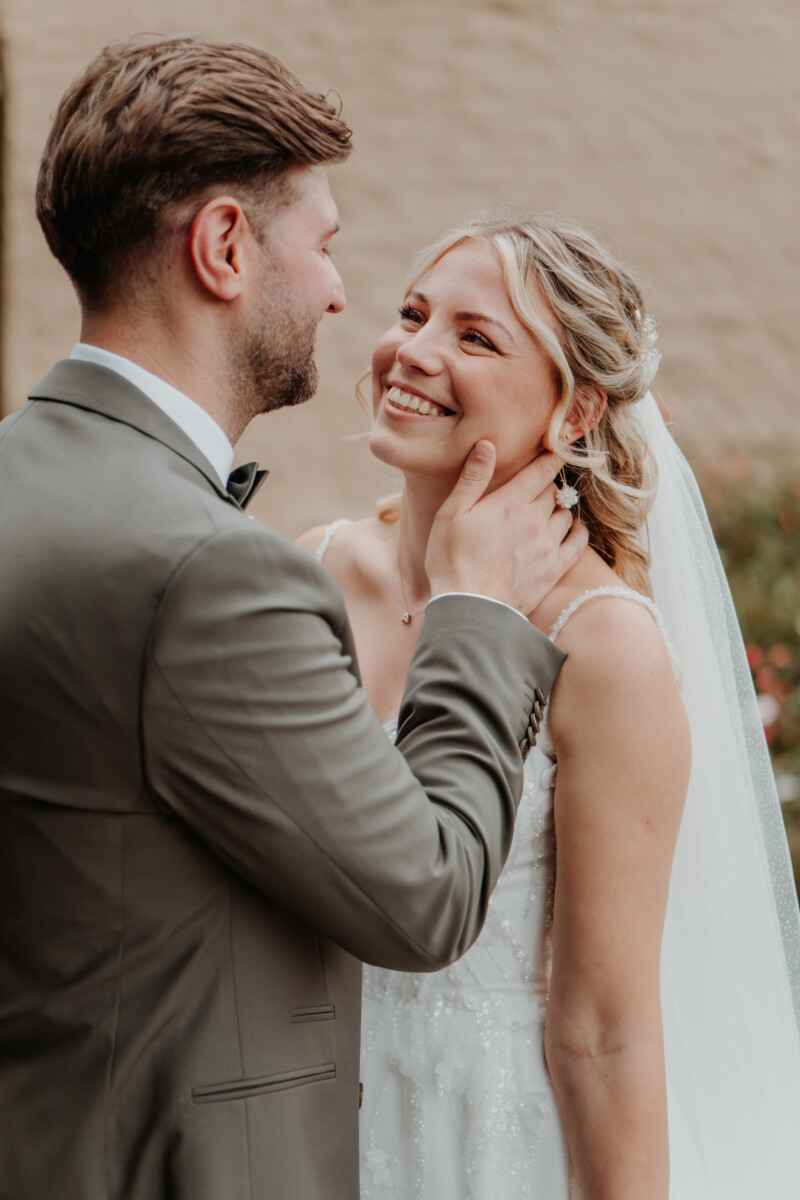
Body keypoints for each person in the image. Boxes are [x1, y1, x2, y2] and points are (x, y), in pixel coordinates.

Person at [0, 41, 590, 1200]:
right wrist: (474, 609)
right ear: (224, 247)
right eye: (322, 245)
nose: (336, 293)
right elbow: (424, 897)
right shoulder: (213, 572)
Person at [301, 215, 800, 1199]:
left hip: (491, 1146)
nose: (414, 350)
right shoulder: (313, 569)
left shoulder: (601, 644)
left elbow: (606, 1029)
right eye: (413, 314)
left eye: (474, 337)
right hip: (308, 1126)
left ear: (575, 414)